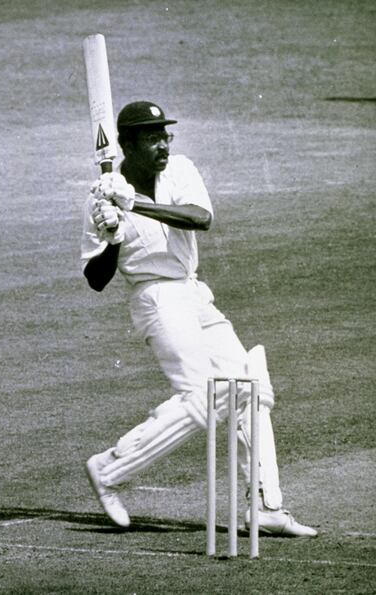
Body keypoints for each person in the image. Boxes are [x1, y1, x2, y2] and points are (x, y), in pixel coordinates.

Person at [80, 101, 317, 537]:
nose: (163, 145)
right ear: (127, 144)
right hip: (155, 297)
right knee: (205, 394)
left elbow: (200, 219)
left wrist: (136, 206)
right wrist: (113, 235)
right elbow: (96, 278)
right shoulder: (101, 197)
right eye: (152, 138)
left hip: (192, 291)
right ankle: (111, 469)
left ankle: (265, 504)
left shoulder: (180, 170)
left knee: (249, 385)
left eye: (165, 136)